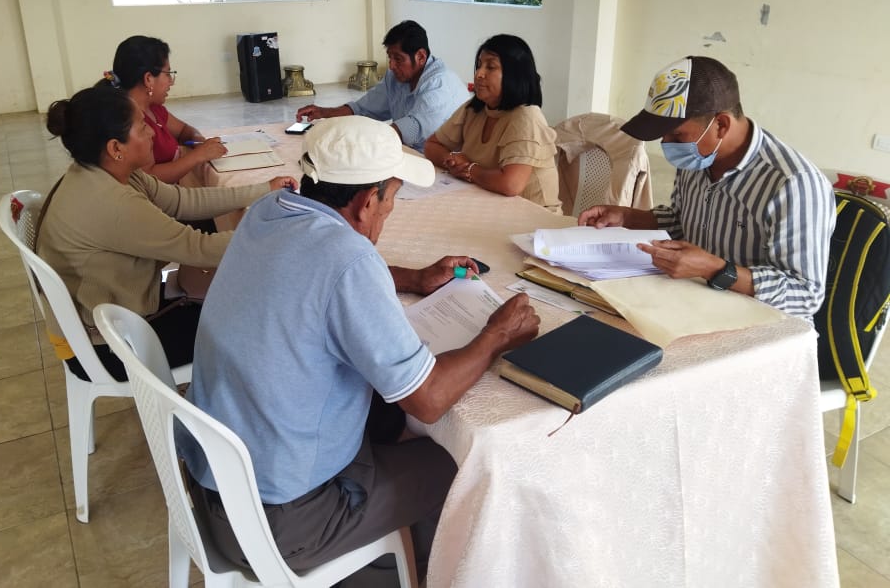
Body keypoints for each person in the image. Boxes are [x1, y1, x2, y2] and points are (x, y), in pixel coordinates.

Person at [180, 115, 540, 579]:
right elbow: (429, 399)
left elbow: (318, 272)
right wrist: (496, 336)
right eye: (391, 199)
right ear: (368, 201)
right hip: (277, 525)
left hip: (215, 484)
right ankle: (403, 571)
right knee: (461, 466)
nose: (390, 210)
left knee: (385, 414)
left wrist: (414, 278)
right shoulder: (348, 260)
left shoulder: (271, 211)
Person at [36, 83, 297, 380]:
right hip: (108, 346)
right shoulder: (113, 204)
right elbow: (199, 248)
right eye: (141, 126)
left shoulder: (105, 173)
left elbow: (183, 201)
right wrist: (278, 236)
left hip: (113, 313)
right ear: (115, 148)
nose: (151, 132)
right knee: (254, 320)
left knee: (233, 293)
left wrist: (263, 190)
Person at [578, 55, 835, 318]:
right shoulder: (698, 157)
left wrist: (715, 270)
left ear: (721, 125)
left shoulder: (793, 183)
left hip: (765, 325)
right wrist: (628, 217)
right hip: (696, 303)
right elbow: (682, 221)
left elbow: (806, 295)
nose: (667, 144)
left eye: (677, 134)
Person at [423, 34, 560, 208]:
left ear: (514, 75)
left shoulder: (526, 116)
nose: (479, 74)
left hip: (534, 216)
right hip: (488, 204)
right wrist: (451, 161)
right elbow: (432, 145)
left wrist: (469, 169)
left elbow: (510, 184)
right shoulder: (475, 109)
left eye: (490, 67)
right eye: (479, 65)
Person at [295, 20, 468, 150]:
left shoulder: (439, 84)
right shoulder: (396, 77)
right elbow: (363, 109)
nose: (391, 66)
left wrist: (355, 142)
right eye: (390, 57)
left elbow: (410, 129)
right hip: (408, 152)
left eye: (398, 59)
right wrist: (324, 112)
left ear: (421, 57)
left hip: (442, 164)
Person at [101, 35, 227, 185]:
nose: (171, 82)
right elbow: (148, 179)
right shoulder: (130, 121)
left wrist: (198, 141)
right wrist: (198, 155)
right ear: (148, 79)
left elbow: (184, 130)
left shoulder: (153, 108)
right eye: (168, 74)